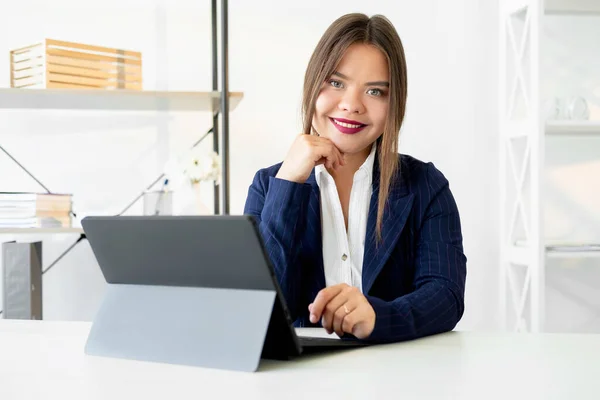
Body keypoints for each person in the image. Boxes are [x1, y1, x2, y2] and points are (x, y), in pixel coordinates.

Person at [244, 13, 467, 343]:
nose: (351, 105)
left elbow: (445, 296)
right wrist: (288, 181)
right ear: (313, 83)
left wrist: (377, 316)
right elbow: (256, 309)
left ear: (394, 103)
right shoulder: (269, 185)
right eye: (336, 83)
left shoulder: (425, 186)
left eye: (375, 91)